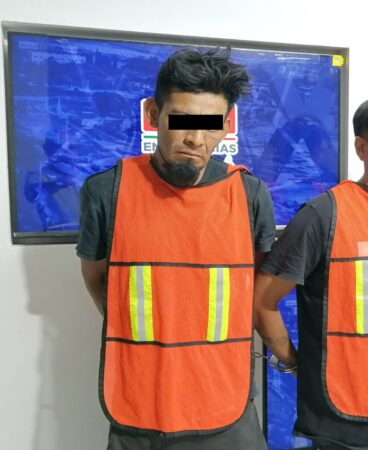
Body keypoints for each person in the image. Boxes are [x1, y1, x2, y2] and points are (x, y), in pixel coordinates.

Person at [77, 48, 275, 449]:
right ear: (153, 114)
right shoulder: (106, 191)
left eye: (211, 125)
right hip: (140, 406)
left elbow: (256, 290)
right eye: (182, 121)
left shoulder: (249, 194)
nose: (196, 139)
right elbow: (98, 278)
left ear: (226, 126)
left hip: (227, 403)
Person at [254, 92, 368, 450]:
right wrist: (294, 363)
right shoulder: (323, 215)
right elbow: (262, 301)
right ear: (361, 147)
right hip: (344, 422)